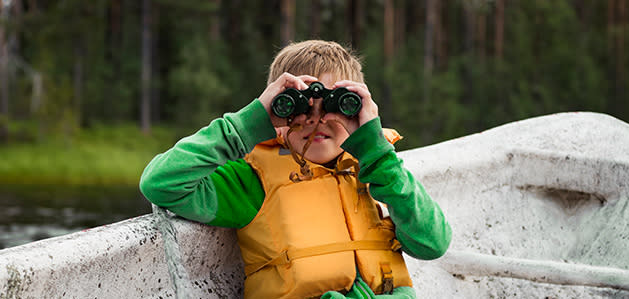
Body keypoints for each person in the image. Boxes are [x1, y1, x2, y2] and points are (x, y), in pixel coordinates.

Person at [139, 40, 451, 299]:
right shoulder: (254, 182)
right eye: (299, 106)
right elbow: (161, 183)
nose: (316, 119)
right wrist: (249, 123)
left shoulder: (379, 171)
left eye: (334, 104)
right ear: (278, 111)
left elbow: (433, 243)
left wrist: (376, 150)